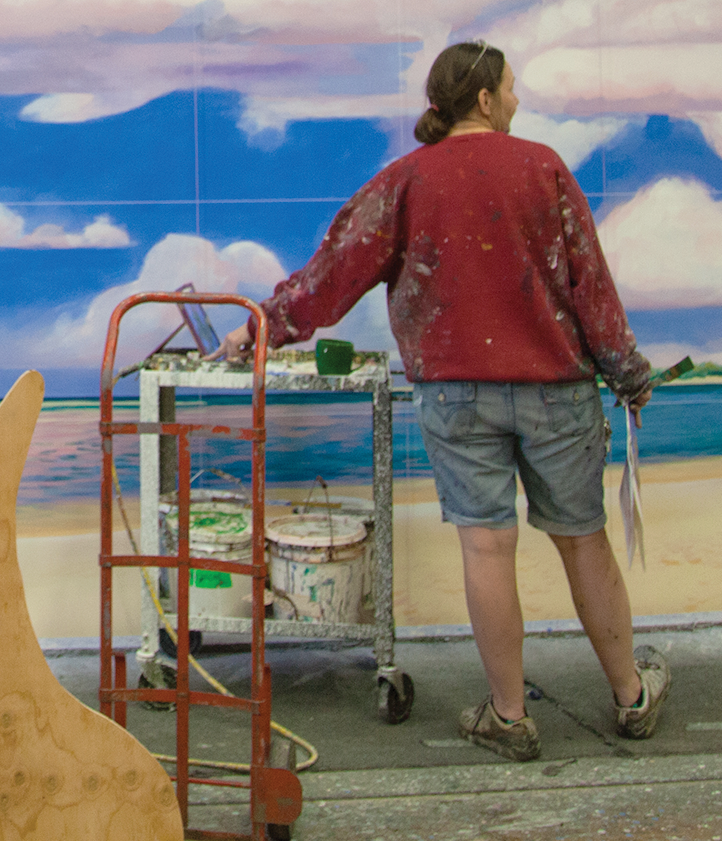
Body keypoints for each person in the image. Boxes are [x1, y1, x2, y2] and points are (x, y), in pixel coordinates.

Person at [236, 39, 670, 760]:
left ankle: (508, 716)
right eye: (511, 88)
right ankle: (631, 697)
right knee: (582, 539)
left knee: (485, 547)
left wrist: (262, 329)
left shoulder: (404, 180)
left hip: (455, 395)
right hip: (557, 391)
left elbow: (331, 277)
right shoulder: (544, 167)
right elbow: (589, 286)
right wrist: (627, 372)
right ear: (486, 100)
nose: (518, 100)